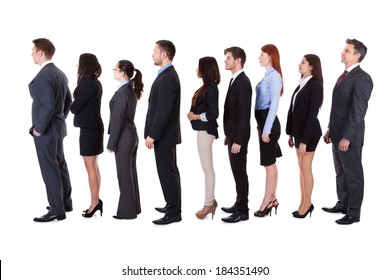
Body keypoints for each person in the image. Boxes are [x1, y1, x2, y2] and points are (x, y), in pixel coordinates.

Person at [322, 39, 373, 225]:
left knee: (353, 174)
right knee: (340, 172)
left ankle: (354, 212)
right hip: (336, 133)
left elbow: (358, 111)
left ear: (357, 55)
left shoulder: (363, 78)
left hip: (349, 137)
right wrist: (329, 129)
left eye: (346, 50)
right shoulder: (343, 76)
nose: (342, 53)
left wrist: (347, 137)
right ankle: (343, 204)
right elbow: (338, 107)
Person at [29, 38, 73, 222]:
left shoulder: (45, 75)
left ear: (41, 52)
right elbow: (68, 101)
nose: (31, 53)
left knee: (50, 168)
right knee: (59, 164)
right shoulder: (61, 74)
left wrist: (39, 128)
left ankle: (56, 209)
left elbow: (47, 105)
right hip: (57, 128)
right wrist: (59, 118)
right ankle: (65, 202)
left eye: (33, 50)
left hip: (46, 131)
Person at [144, 40, 182, 225]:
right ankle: (172, 205)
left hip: (164, 137)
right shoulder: (166, 75)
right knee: (168, 172)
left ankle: (174, 212)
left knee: (168, 173)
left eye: (155, 51)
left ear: (164, 55)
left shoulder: (168, 77)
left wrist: (153, 134)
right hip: (165, 136)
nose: (152, 54)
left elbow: (163, 111)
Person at [286, 54, 324, 218]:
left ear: (311, 67)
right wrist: (291, 134)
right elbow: (293, 111)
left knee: (306, 168)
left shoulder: (315, 86)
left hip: (309, 134)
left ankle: (308, 204)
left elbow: (311, 115)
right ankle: (302, 202)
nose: (299, 64)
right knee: (301, 169)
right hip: (299, 133)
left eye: (303, 62)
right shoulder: (301, 84)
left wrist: (305, 141)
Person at [107, 60, 143, 220]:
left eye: (115, 69)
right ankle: (133, 208)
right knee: (130, 173)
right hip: (131, 136)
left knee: (124, 175)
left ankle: (127, 212)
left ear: (122, 73)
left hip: (123, 137)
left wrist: (111, 143)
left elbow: (118, 119)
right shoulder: (129, 90)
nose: (113, 71)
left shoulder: (123, 92)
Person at [220, 46, 252, 223]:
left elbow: (244, 115)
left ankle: (242, 210)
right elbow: (233, 112)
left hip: (239, 139)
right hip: (232, 136)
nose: (225, 60)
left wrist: (239, 139)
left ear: (238, 60)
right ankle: (239, 203)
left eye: (228, 58)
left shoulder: (243, 82)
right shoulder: (234, 80)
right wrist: (229, 134)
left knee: (240, 173)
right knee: (236, 172)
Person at [70, 53, 104, 218]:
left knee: (90, 167)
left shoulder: (87, 84)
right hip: (93, 127)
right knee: (93, 166)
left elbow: (74, 108)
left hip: (90, 129)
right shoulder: (95, 83)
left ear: (84, 65)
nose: (77, 65)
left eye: (79, 62)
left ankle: (94, 203)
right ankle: (96, 200)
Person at [187, 56, 220, 220]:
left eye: (199, 67)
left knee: (207, 169)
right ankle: (210, 202)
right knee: (206, 169)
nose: (196, 70)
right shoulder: (205, 87)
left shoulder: (212, 88)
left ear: (205, 69)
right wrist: (193, 115)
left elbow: (214, 114)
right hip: (202, 131)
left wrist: (196, 116)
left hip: (206, 131)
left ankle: (209, 203)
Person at [253, 44, 283, 218]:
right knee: (269, 163)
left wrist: (266, 130)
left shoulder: (275, 77)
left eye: (262, 54)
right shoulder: (267, 76)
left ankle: (266, 202)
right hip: (263, 123)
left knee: (268, 164)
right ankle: (272, 199)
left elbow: (274, 106)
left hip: (268, 124)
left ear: (270, 56)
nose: (259, 57)